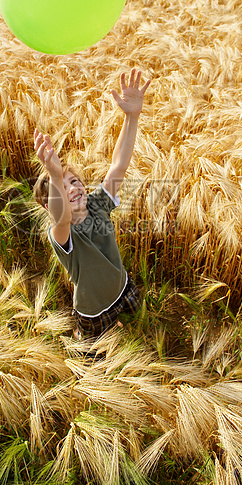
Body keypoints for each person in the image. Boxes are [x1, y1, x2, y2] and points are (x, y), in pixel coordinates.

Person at [33, 68, 151, 339]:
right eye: (61, 188)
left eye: (73, 181)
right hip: (94, 310)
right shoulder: (63, 234)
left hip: (123, 286)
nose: (72, 188)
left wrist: (131, 116)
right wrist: (53, 173)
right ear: (50, 205)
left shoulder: (97, 203)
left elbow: (118, 166)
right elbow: (62, 217)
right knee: (93, 350)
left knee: (137, 321)